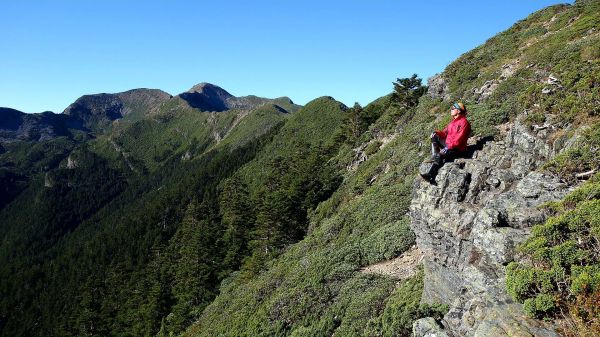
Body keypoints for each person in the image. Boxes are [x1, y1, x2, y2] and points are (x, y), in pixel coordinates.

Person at [420, 102, 471, 181]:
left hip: (458, 149)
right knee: (435, 136)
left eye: (453, 108)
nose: (451, 110)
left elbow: (458, 140)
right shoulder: (452, 122)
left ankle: (431, 175)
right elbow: (444, 133)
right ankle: (435, 155)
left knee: (441, 154)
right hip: (449, 146)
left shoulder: (464, 122)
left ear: (459, 111)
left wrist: (447, 148)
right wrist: (436, 132)